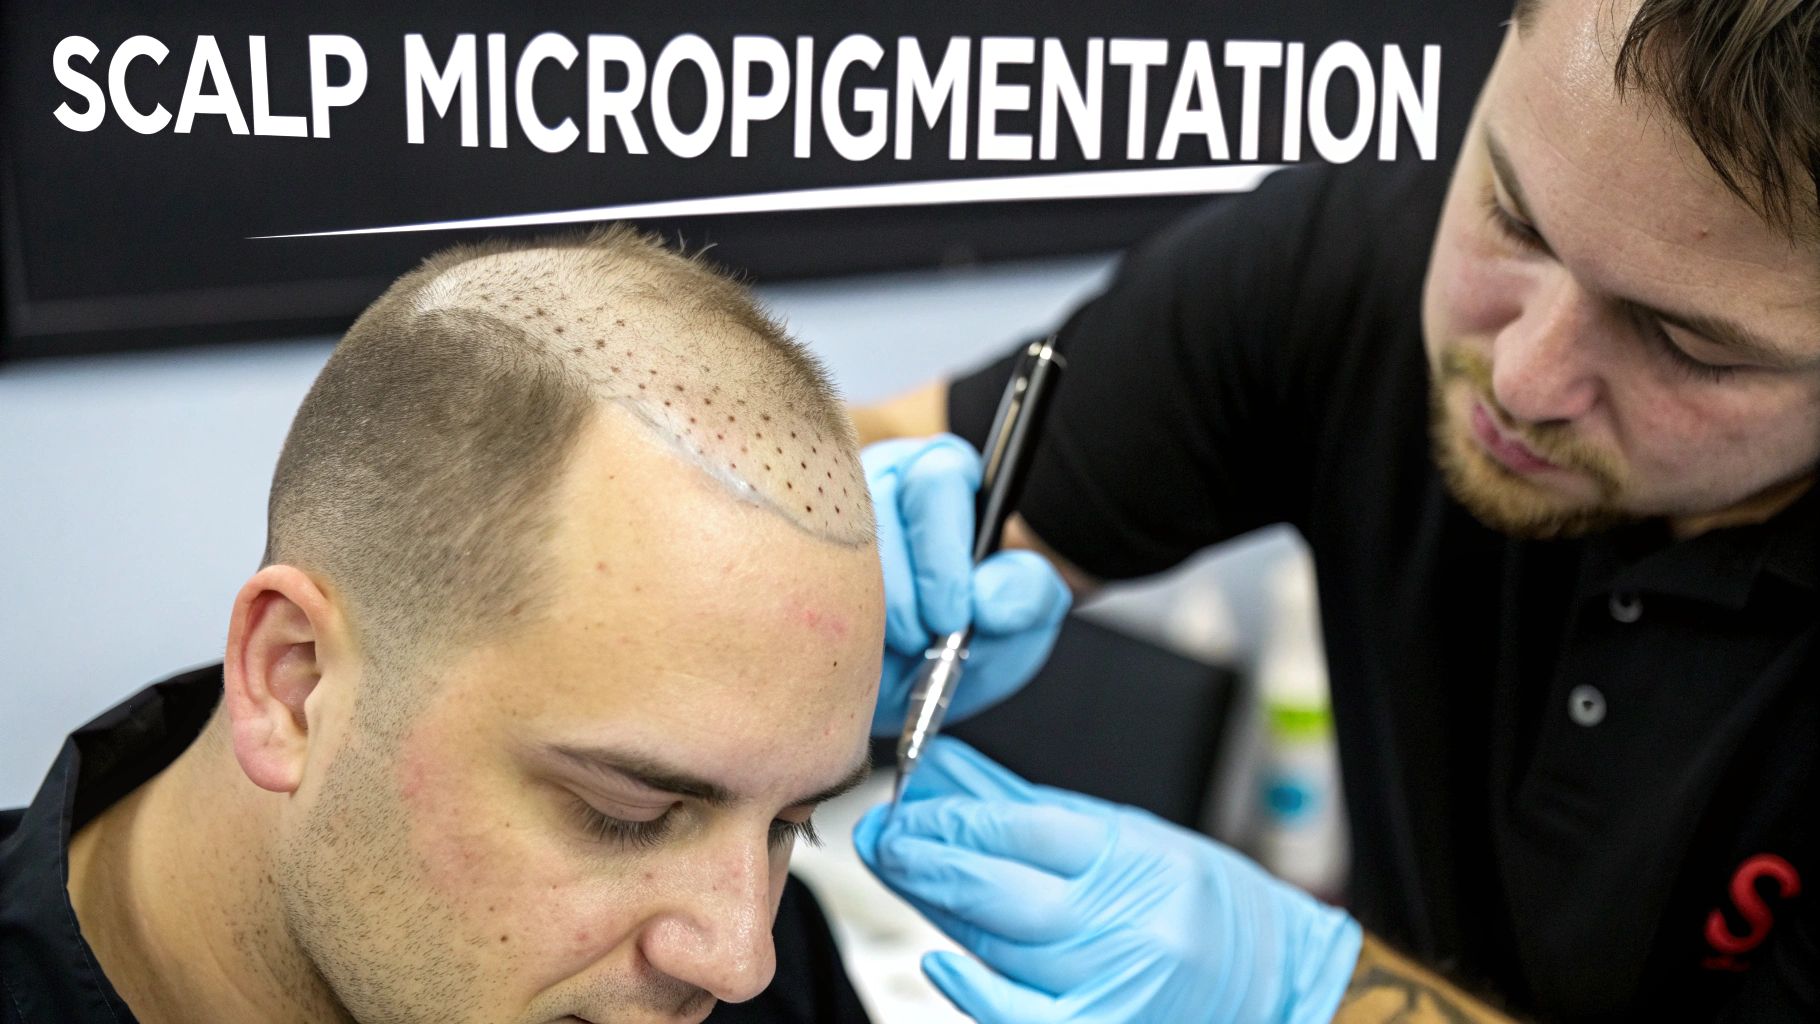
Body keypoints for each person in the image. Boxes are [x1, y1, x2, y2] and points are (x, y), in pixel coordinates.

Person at [854, 0, 1820, 1020]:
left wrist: (1305, 992)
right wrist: (837, 562)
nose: (1521, 377)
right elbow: (856, 458)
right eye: (1512, 217)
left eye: (1687, 345)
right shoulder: (1351, 263)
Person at [3, 227, 905, 1024]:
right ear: (294, 685)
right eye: (625, 815)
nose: (740, 963)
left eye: (792, 826)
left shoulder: (766, 965)